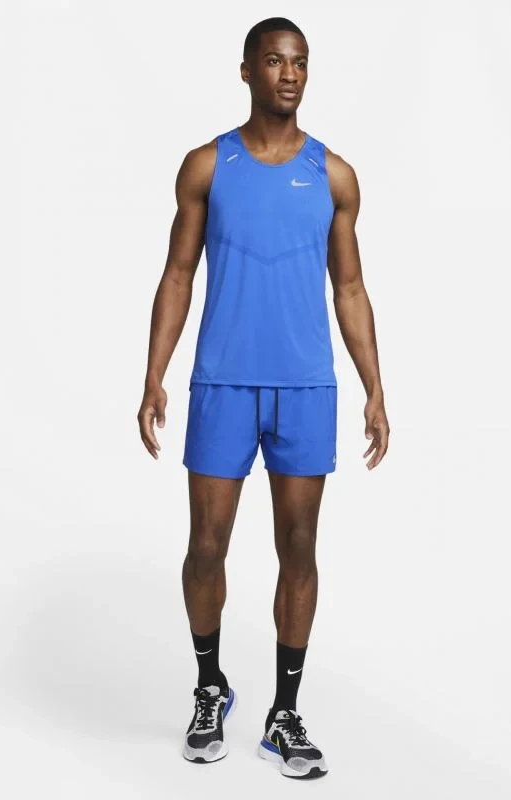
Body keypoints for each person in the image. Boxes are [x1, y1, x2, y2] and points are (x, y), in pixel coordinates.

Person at [137, 17, 389, 780]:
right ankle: (209, 686)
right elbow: (178, 273)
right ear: (246, 71)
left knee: (299, 547)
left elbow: (350, 287)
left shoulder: (334, 176)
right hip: (223, 381)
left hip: (305, 385)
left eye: (300, 63)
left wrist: (376, 387)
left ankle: (285, 714)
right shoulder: (206, 167)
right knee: (206, 546)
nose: (289, 74)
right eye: (275, 61)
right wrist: (154, 374)